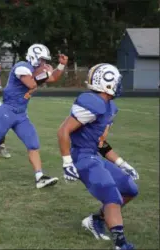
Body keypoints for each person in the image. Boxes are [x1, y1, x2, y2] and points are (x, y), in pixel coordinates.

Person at [57, 63, 138, 250]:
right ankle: (121, 244)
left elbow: (100, 142)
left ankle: (95, 220)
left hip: (93, 154)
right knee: (112, 195)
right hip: (82, 156)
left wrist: (121, 163)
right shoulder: (93, 102)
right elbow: (63, 131)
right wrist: (67, 162)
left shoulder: (110, 106)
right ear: (106, 82)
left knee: (129, 189)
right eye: (116, 80)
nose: (119, 84)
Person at [0, 44, 62, 188]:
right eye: (42, 59)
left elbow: (53, 78)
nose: (43, 63)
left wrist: (61, 65)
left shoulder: (34, 71)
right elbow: (31, 84)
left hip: (21, 114)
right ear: (34, 57)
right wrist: (46, 73)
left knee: (33, 144)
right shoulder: (21, 67)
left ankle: (40, 177)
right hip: (7, 112)